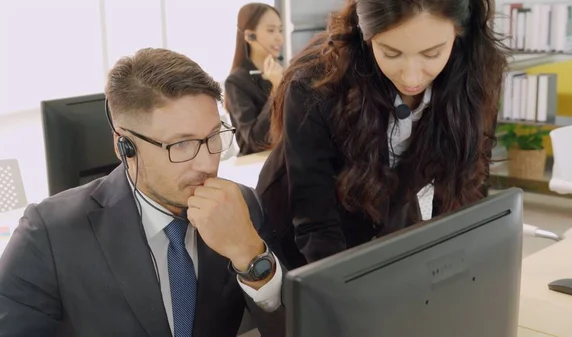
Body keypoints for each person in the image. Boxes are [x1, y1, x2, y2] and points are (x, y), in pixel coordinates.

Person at [0, 48, 285, 337]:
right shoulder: (49, 233)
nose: (207, 162)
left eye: (213, 136)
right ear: (125, 147)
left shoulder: (241, 205)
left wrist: (250, 255)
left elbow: (296, 325)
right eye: (181, 144)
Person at [257, 0, 506, 269]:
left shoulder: (474, 78)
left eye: (432, 54)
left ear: (460, 32)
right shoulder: (316, 85)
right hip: (292, 243)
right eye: (391, 52)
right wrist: (340, 294)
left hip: (376, 226)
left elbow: (463, 194)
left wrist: (452, 272)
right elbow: (316, 222)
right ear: (366, 33)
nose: (412, 78)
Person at [224, 3, 284, 156]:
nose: (279, 37)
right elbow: (255, 140)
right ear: (250, 36)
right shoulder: (236, 81)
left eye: (281, 30)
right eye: (271, 30)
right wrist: (277, 89)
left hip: (285, 160)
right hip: (256, 166)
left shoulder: (283, 72)